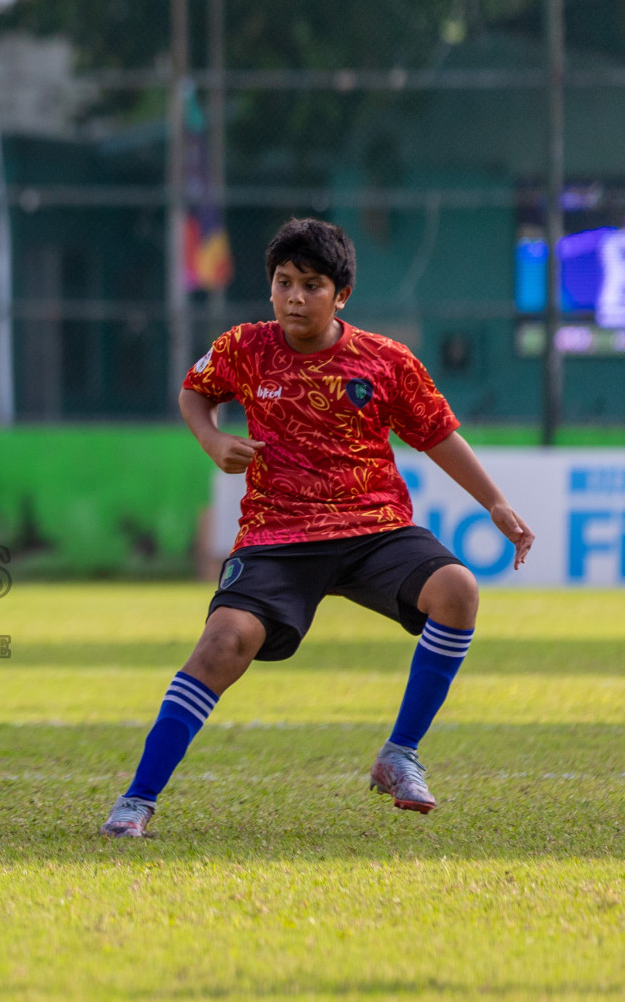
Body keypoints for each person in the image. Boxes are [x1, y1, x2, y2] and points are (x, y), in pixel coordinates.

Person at [101, 218, 535, 839]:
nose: (294, 298)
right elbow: (195, 392)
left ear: (342, 295)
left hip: (373, 526)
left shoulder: (386, 361)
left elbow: (437, 434)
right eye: (283, 283)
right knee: (221, 644)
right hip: (276, 535)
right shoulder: (244, 346)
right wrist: (211, 437)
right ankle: (136, 801)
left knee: (458, 589)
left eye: (311, 285)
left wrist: (495, 503)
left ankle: (400, 754)